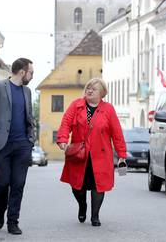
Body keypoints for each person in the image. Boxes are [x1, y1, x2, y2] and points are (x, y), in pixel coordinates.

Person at [57, 78, 126, 227]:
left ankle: (95, 216)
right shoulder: (77, 105)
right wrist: (63, 140)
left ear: (101, 93)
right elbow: (66, 123)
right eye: (88, 88)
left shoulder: (108, 109)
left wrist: (122, 155)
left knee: (98, 186)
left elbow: (117, 134)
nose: (89, 90)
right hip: (79, 154)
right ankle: (82, 206)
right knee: (77, 187)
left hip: (101, 155)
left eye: (93, 89)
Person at [0, 58, 35, 235]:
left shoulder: (27, 91)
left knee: (18, 184)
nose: (32, 76)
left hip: (22, 145)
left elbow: (29, 117)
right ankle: (0, 210)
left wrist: (30, 138)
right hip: (2, 145)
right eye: (31, 72)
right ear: (22, 72)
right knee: (2, 183)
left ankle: (12, 222)